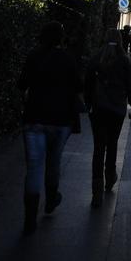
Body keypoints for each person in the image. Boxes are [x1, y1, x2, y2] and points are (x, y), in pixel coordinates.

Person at [17, 21, 82, 235]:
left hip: (35, 118)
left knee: (34, 167)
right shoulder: (68, 59)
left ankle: (29, 218)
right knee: (53, 162)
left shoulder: (34, 56)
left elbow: (21, 84)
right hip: (60, 120)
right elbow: (77, 87)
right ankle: (51, 199)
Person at [85, 28, 131, 207]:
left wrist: (88, 104)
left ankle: (96, 190)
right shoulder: (124, 60)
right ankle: (110, 178)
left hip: (99, 108)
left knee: (98, 148)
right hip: (117, 109)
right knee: (112, 144)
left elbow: (87, 83)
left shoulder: (96, 57)